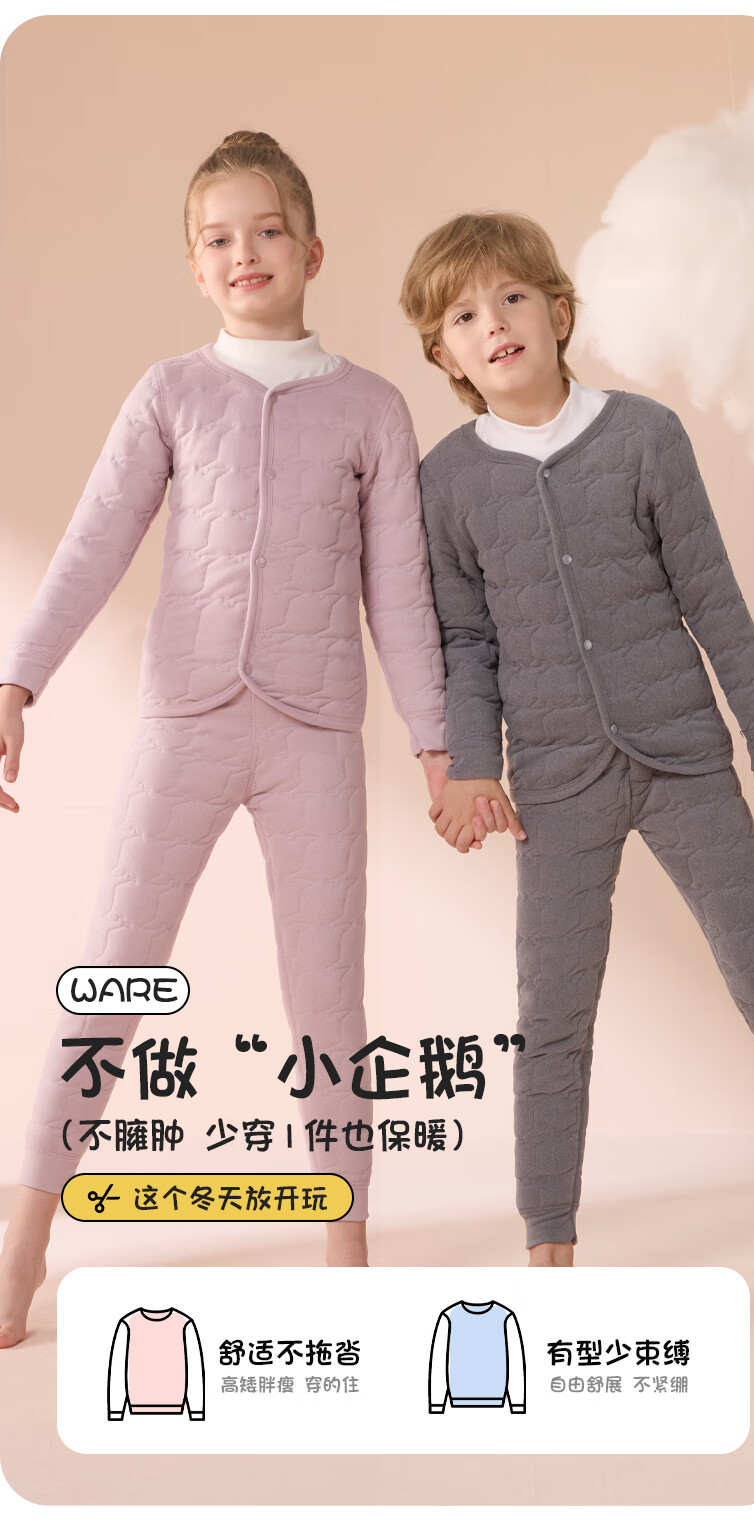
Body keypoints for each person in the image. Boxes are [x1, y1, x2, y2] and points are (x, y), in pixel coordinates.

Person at [0, 130, 450, 1345]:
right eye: (217, 237)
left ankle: (347, 1252)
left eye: (266, 230)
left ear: (312, 250)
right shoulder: (170, 394)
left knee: (327, 997)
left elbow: (400, 594)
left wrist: (437, 745)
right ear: (193, 267)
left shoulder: (370, 407)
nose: (244, 251)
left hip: (315, 735)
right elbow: (93, 540)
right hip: (186, 722)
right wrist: (17, 678)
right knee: (113, 972)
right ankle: (24, 1238)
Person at [400, 210, 754, 1266]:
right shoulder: (447, 482)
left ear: (560, 313)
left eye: (512, 299)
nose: (494, 324)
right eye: (464, 317)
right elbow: (466, 640)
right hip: (556, 782)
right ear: (444, 356)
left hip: (682, 760)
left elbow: (712, 596)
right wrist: (472, 766)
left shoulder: (643, 436)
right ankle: (548, 1246)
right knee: (553, 1014)